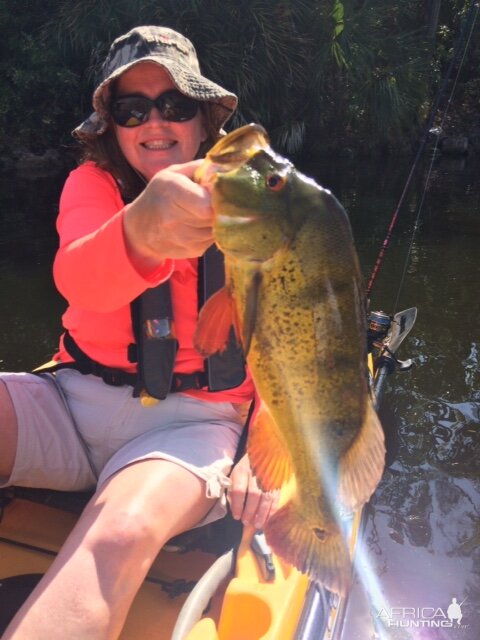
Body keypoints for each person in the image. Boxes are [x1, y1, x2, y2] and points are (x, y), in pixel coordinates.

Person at [0, 25, 277, 639]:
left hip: (194, 426)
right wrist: (141, 233)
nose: (155, 122)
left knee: (119, 531)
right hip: (74, 405)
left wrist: (266, 448)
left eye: (175, 106)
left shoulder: (262, 206)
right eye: (133, 109)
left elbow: (290, 346)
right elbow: (82, 279)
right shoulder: (91, 185)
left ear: (204, 123)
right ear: (114, 128)